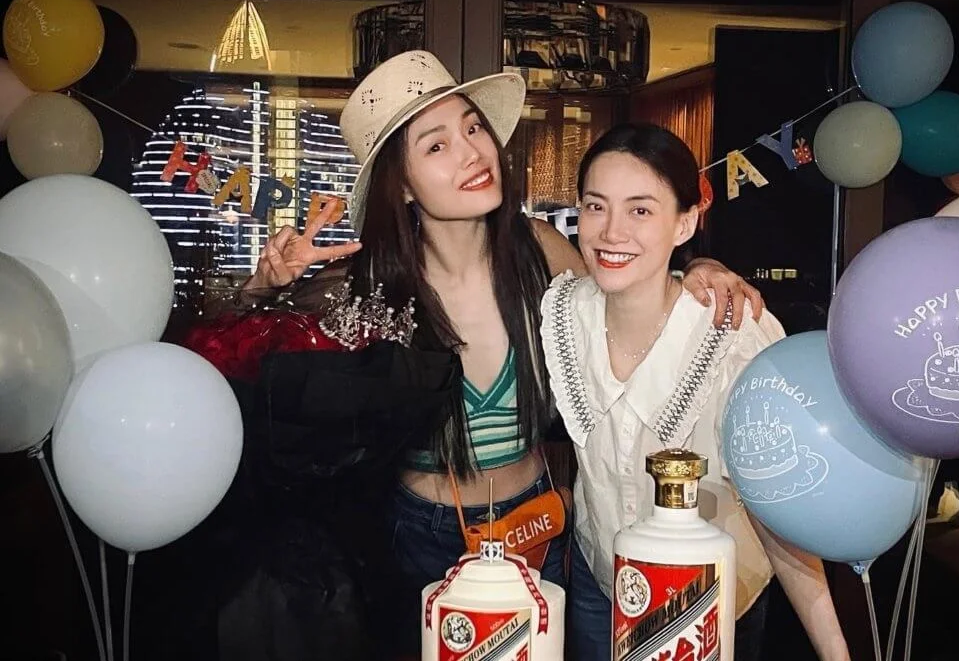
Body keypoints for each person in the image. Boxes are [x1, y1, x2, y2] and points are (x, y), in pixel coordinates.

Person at [185, 51, 764, 658]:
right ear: (401, 183)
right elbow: (224, 366)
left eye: (472, 128)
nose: (471, 153)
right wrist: (261, 289)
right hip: (421, 534)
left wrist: (700, 265)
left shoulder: (539, 251)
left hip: (538, 522)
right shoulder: (366, 285)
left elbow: (629, 297)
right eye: (436, 145)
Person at [540, 123, 850, 661]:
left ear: (685, 223)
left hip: (709, 600)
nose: (611, 231)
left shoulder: (732, 332)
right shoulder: (566, 312)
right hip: (602, 587)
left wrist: (835, 650)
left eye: (640, 210)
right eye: (595, 206)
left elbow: (774, 503)